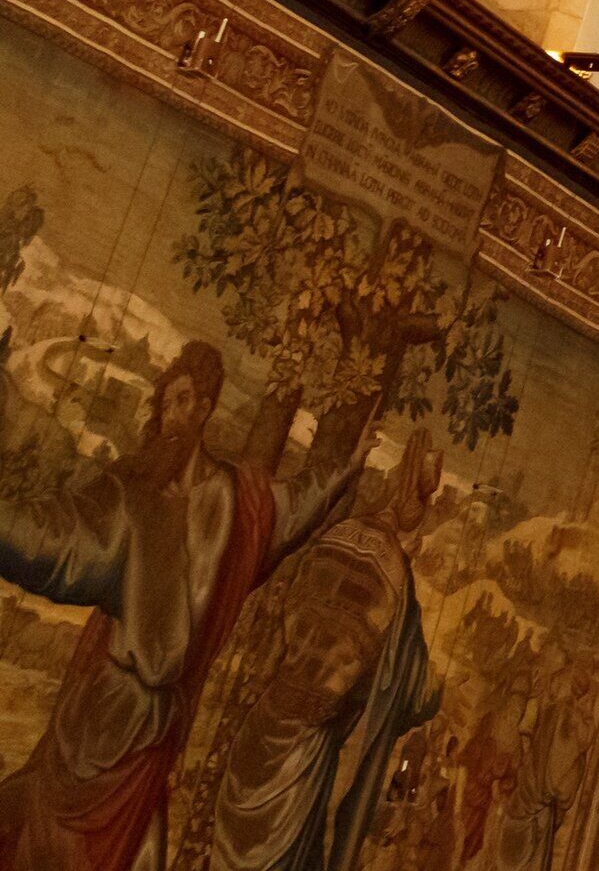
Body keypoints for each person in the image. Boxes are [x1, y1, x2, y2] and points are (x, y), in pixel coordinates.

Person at [0, 336, 380, 871]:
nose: (170, 418)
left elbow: (292, 509)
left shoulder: (236, 502)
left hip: (153, 732)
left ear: (204, 408)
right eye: (164, 406)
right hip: (101, 716)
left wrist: (347, 464)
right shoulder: (132, 497)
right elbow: (55, 545)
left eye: (182, 402)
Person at [193, 432, 446, 871]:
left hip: (264, 724)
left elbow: (289, 613)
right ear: (418, 513)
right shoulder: (396, 578)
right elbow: (412, 689)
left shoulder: (338, 535)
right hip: (304, 751)